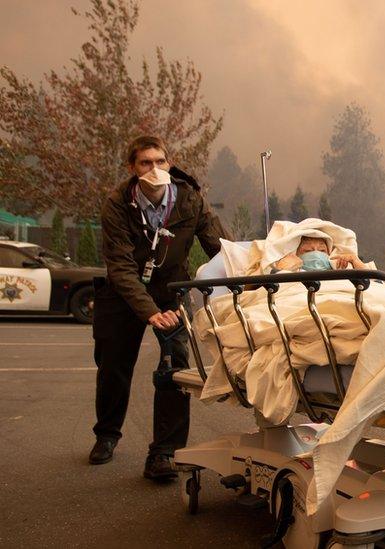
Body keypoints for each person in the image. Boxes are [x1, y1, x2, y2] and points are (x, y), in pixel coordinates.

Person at [88, 136, 229, 481]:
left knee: (175, 369)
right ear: (132, 169)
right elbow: (119, 267)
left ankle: (164, 453)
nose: (154, 169)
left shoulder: (189, 199)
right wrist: (149, 311)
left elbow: (221, 248)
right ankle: (107, 434)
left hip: (171, 290)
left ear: (169, 162)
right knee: (113, 367)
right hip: (123, 292)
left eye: (160, 162)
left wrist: (251, 277)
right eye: (145, 163)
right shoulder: (117, 204)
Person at [270, 235, 367, 272]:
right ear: (296, 254)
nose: (316, 254)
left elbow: (372, 283)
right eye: (308, 251)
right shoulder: (290, 274)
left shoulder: (342, 269)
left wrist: (354, 260)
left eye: (322, 251)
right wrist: (285, 267)